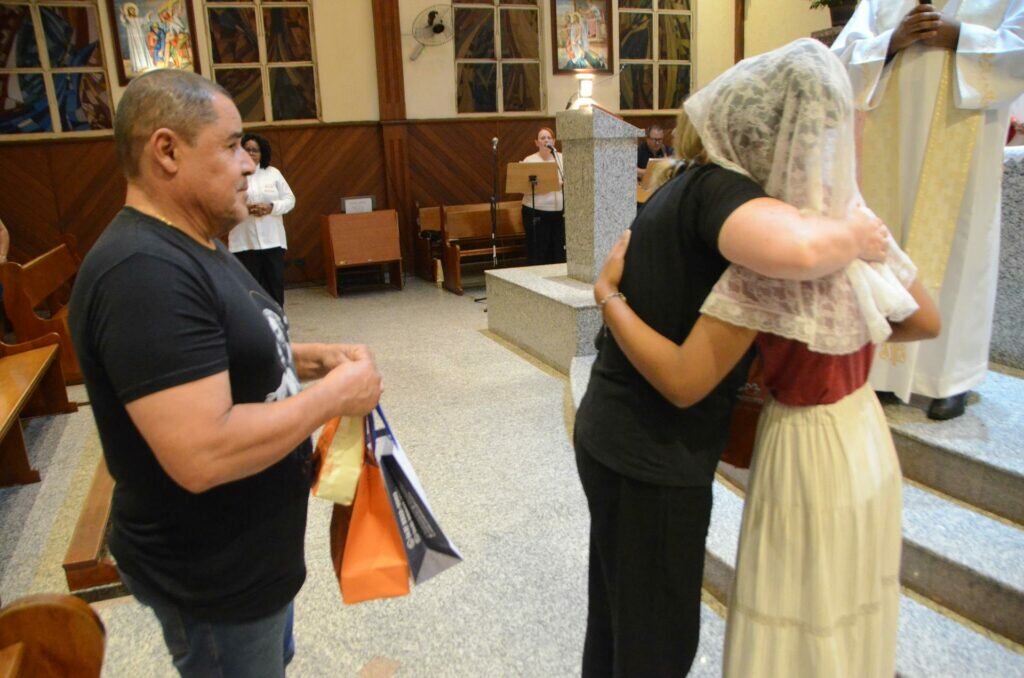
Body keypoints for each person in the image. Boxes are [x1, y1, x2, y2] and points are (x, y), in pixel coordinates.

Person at [589, 39, 941, 677]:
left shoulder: (772, 255)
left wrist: (607, 297)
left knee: (794, 611)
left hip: (802, 446)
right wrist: (846, 330)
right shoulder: (852, 224)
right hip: (863, 436)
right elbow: (924, 318)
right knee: (848, 600)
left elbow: (686, 378)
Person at [68, 69, 383, 677]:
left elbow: (219, 349)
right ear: (167, 151)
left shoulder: (194, 240)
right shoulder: (143, 274)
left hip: (251, 555)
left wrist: (312, 358)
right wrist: (334, 396)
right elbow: (203, 452)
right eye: (233, 145)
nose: (247, 164)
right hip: (211, 573)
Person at [832, 0, 1024, 420]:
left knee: (959, 251)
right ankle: (883, 371)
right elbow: (840, 58)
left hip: (965, 138)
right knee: (889, 243)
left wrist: (962, 37)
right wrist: (892, 41)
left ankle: (950, 379)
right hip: (891, 144)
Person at [227, 133, 296, 307]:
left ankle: (277, 316)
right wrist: (245, 208)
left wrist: (271, 207)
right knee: (249, 288)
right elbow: (224, 203)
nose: (251, 153)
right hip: (244, 242)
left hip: (273, 241)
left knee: (275, 285)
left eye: (255, 150)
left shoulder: (273, 173)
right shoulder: (232, 174)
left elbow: (290, 200)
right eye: (247, 149)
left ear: (262, 153)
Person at [520, 128, 566, 265]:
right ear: (536, 142)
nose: (546, 140)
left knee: (558, 250)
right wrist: (552, 184)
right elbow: (523, 188)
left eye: (549, 137)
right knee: (540, 251)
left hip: (559, 213)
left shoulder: (561, 158)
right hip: (536, 211)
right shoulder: (530, 160)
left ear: (554, 141)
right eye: (542, 138)